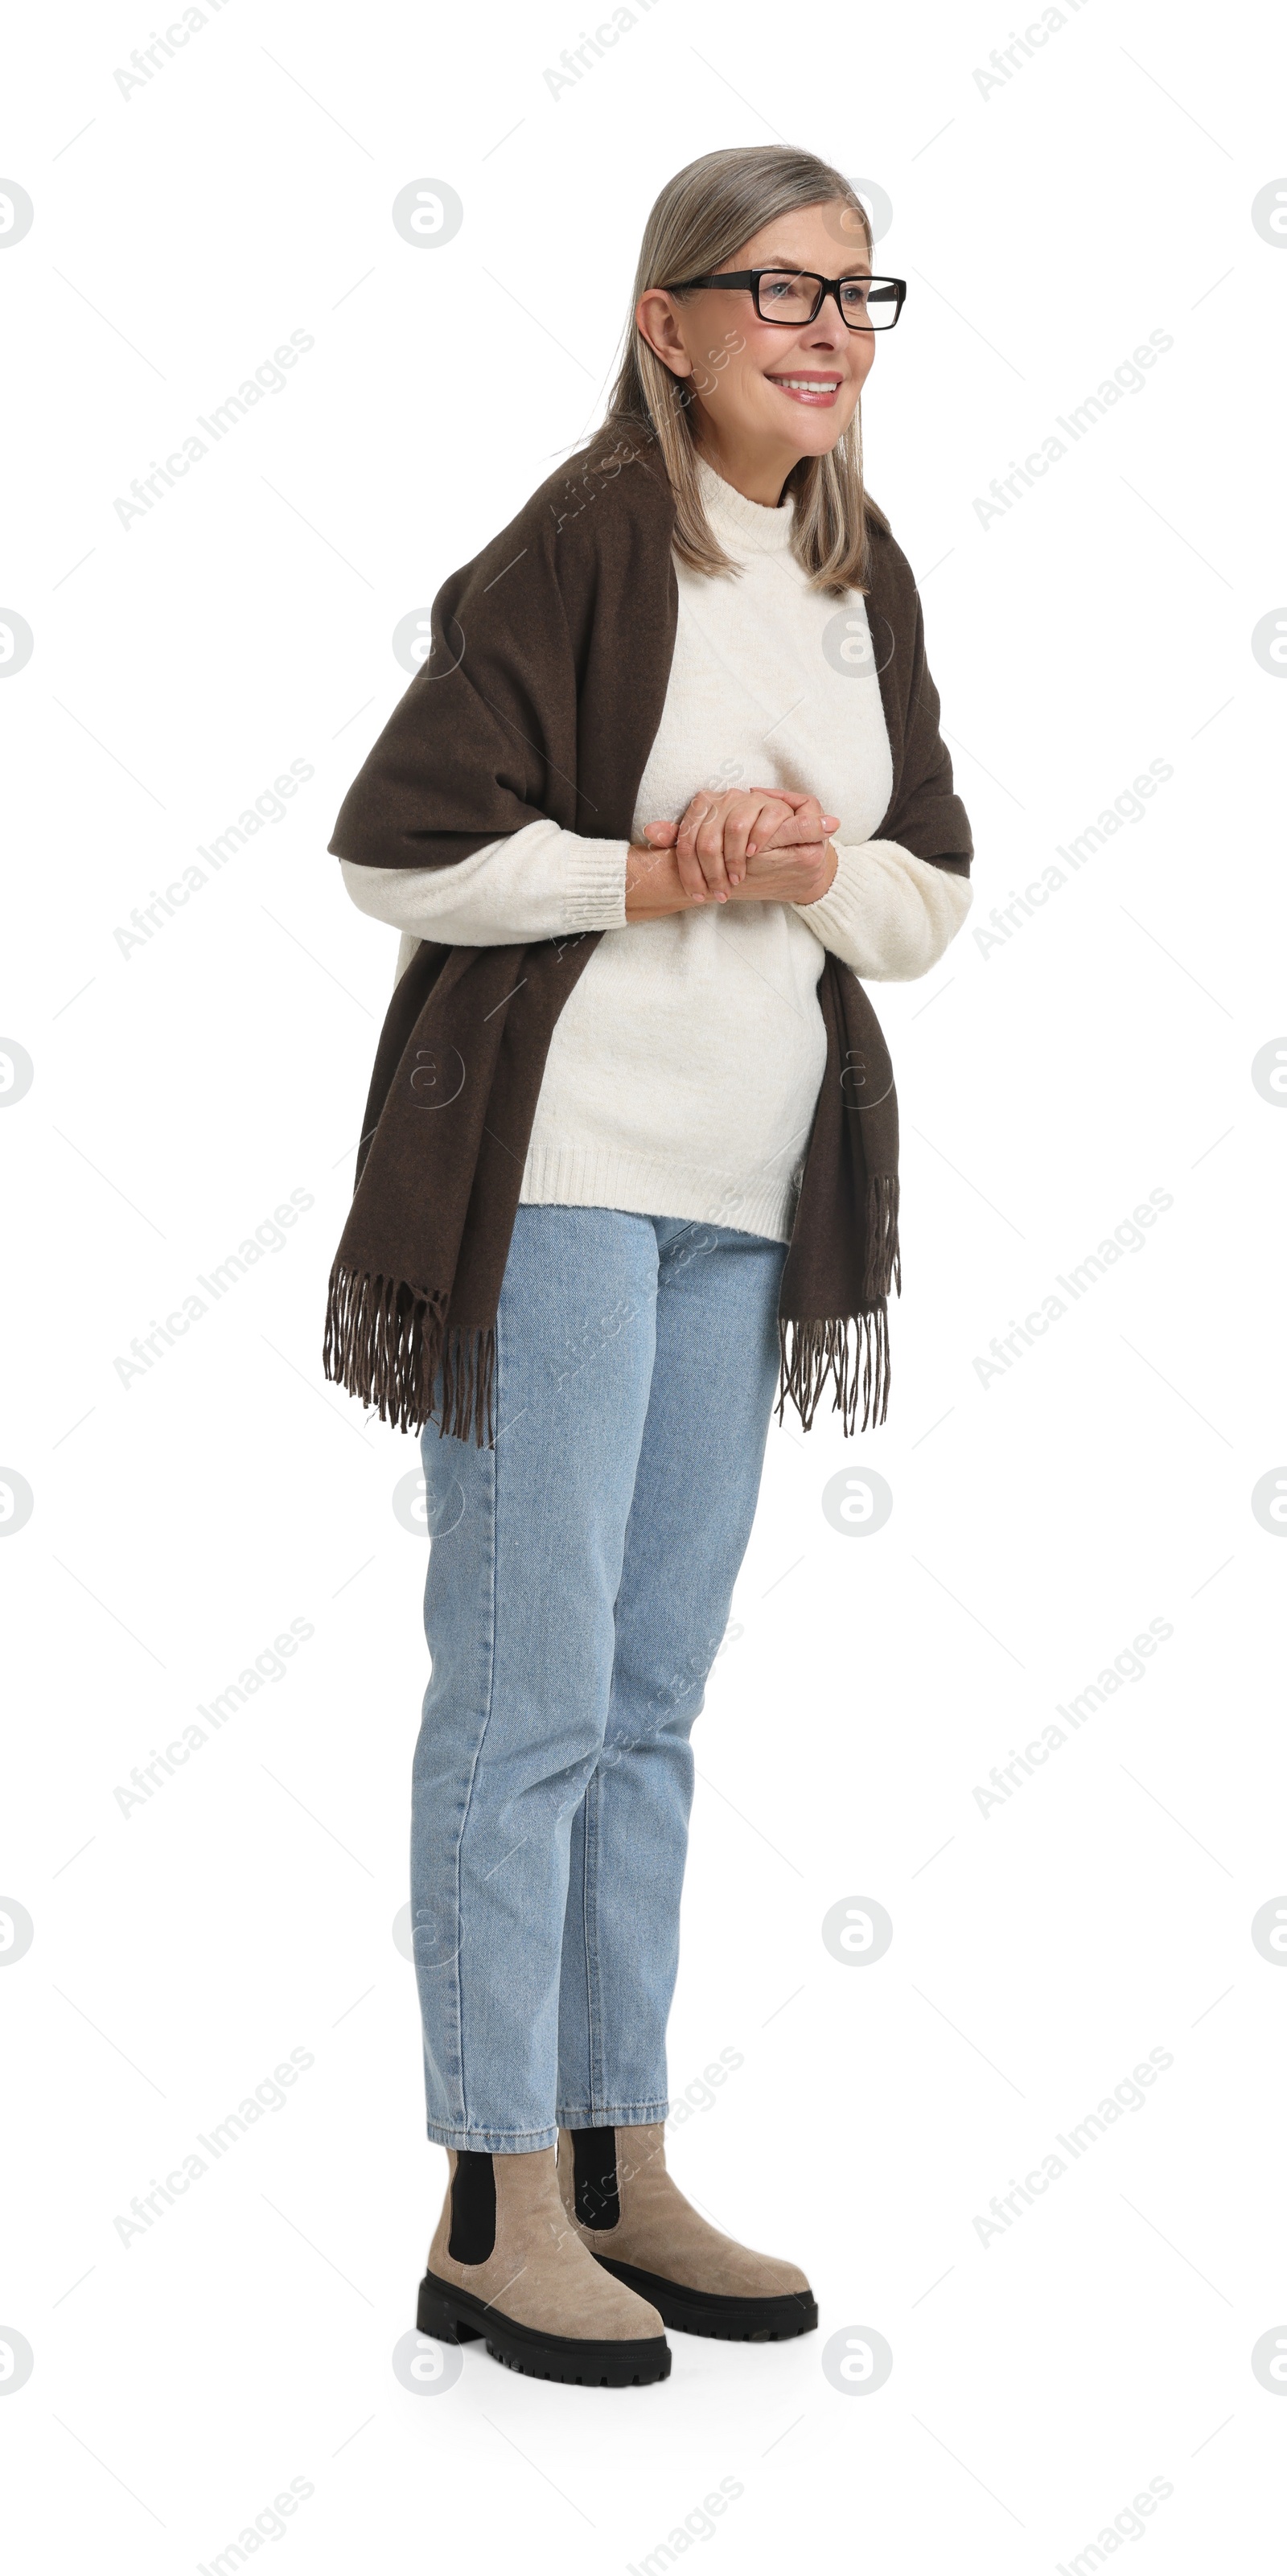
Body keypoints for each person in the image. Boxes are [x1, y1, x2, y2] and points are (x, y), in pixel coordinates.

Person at [323, 142, 973, 2388]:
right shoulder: (600, 539)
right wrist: (652, 873)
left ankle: (620, 2155)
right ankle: (492, 2200)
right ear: (667, 324)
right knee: (524, 1708)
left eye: (854, 292)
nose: (822, 329)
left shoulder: (856, 573)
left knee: (651, 1709)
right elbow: (397, 847)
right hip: (563, 1187)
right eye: (772, 290)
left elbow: (927, 901)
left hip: (749, 1199)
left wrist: (805, 860)